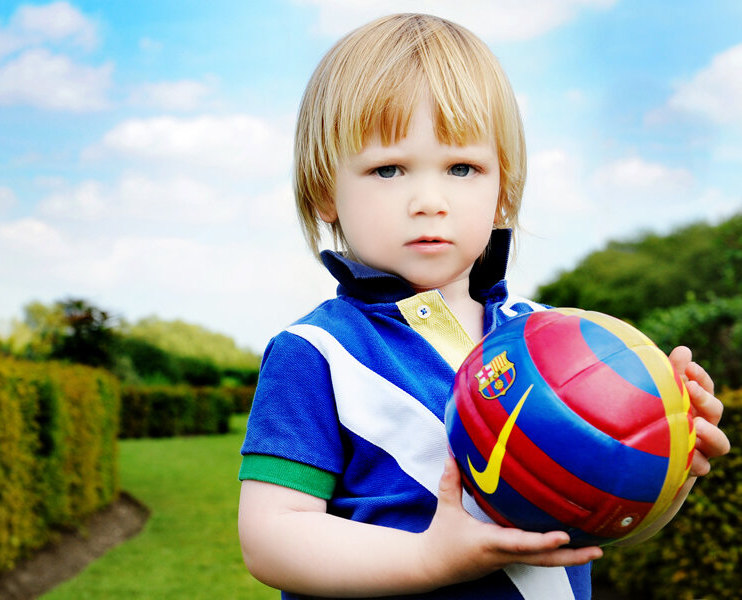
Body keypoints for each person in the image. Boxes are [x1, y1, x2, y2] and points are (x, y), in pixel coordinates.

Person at [237, 13, 730, 600]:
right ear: (325, 191)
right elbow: (270, 537)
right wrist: (429, 559)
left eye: (462, 168)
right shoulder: (318, 354)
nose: (428, 200)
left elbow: (595, 523)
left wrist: (664, 458)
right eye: (388, 169)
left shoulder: (552, 338)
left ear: (504, 189)